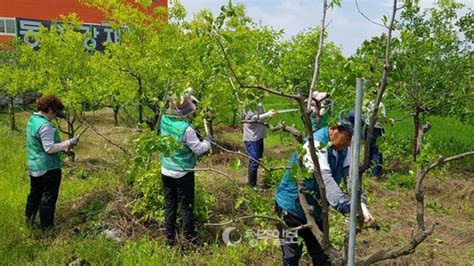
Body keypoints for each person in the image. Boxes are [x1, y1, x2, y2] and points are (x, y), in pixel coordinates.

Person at [274, 113, 374, 265]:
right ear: (334, 129)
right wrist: (349, 209)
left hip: (316, 211)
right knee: (291, 256)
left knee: (321, 255)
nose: (349, 143)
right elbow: (326, 181)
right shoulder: (315, 146)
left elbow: (351, 178)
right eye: (348, 137)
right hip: (291, 208)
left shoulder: (343, 149)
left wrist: (362, 205)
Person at [159, 94, 211, 246]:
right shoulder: (186, 129)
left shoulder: (164, 120)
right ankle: (190, 239)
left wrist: (186, 93)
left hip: (166, 168)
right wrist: (207, 140)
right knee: (186, 206)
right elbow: (198, 149)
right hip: (183, 172)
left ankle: (169, 239)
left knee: (170, 205)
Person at [25, 95, 79, 230]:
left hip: (34, 166)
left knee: (34, 195)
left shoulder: (33, 121)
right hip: (48, 168)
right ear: (49, 109)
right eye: (55, 113)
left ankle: (29, 223)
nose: (55, 117)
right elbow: (49, 148)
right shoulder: (45, 125)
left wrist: (64, 149)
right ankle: (47, 228)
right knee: (48, 198)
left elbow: (40, 145)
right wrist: (69, 142)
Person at [241, 103, 277, 192]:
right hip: (251, 138)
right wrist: (267, 114)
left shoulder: (259, 104)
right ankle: (252, 185)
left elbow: (261, 117)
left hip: (259, 137)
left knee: (257, 159)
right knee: (255, 160)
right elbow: (251, 120)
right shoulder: (248, 105)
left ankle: (253, 183)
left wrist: (270, 114)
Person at [363, 88, 393, 180]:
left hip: (367, 128)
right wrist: (390, 121)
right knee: (377, 152)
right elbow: (382, 119)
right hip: (377, 130)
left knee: (368, 150)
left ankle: (367, 169)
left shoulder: (366, 104)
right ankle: (376, 174)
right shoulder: (380, 105)